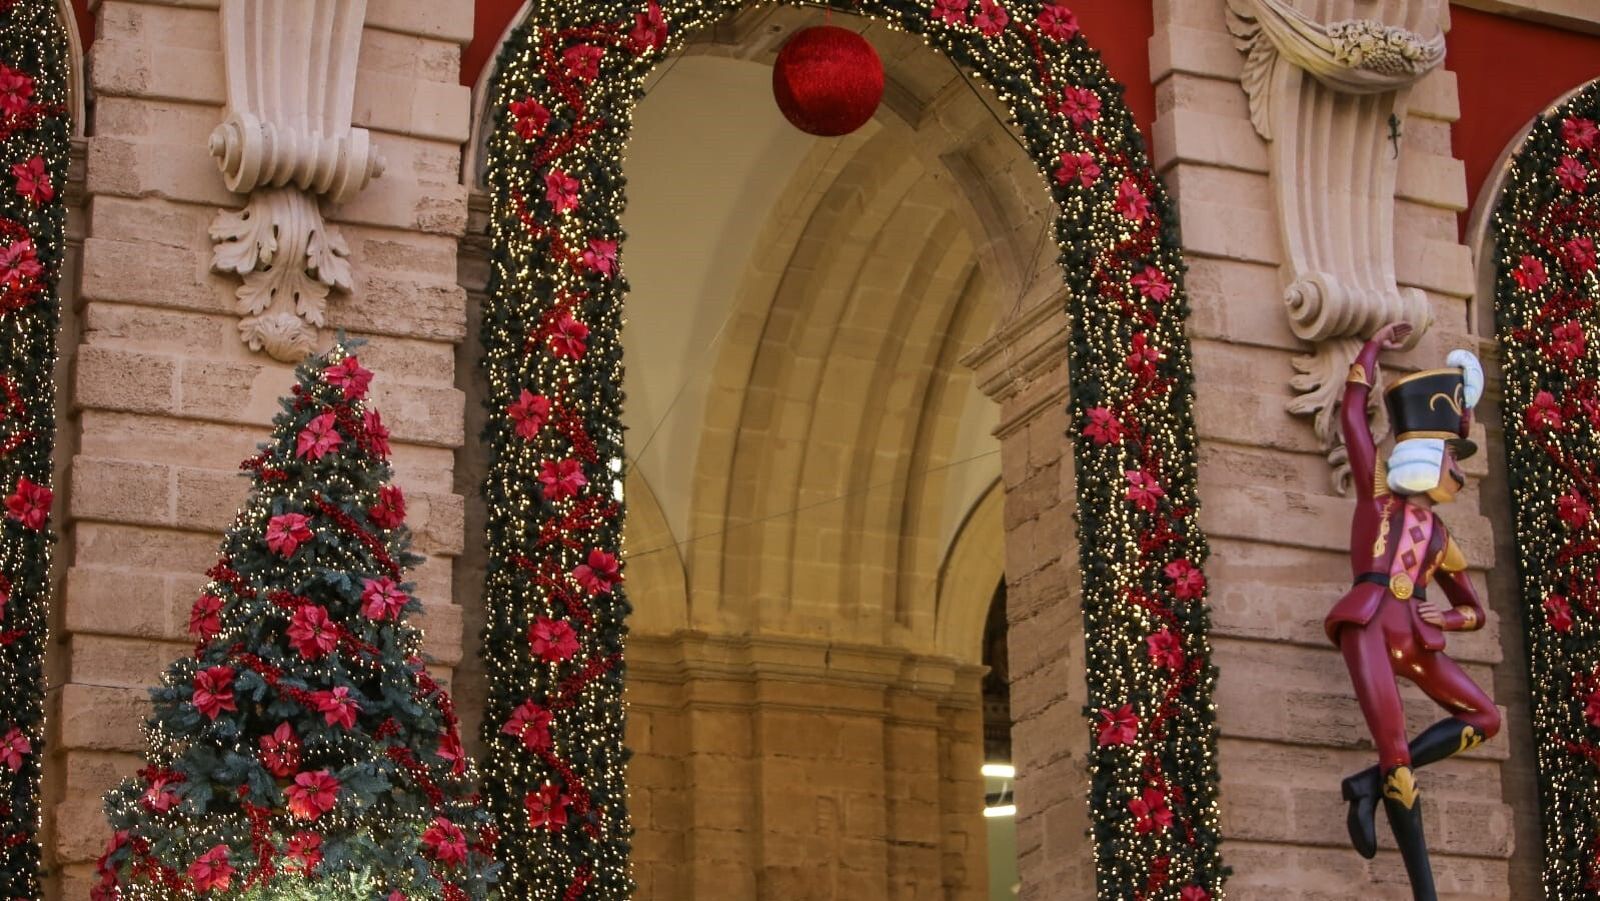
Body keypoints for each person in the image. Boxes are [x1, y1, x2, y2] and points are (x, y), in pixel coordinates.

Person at [1327, 322, 1501, 901]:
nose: (1460, 470)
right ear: (1427, 455)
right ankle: (1425, 892)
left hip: (1415, 638)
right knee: (1397, 752)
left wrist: (1444, 621)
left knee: (1486, 718)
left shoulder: (1443, 537)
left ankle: (1366, 784)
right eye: (1453, 455)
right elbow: (1354, 419)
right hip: (1370, 626)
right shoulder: (1376, 498)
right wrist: (1373, 347)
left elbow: (1473, 611)